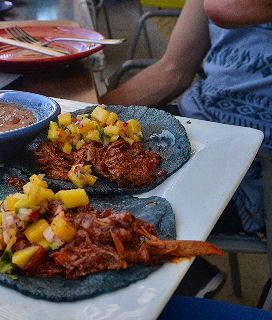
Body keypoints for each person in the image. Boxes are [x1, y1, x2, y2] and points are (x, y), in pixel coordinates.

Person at [101, 0, 272, 234]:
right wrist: (86, 114)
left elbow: (222, 8)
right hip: (198, 128)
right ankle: (201, 272)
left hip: (256, 168)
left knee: (105, 220)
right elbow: (172, 70)